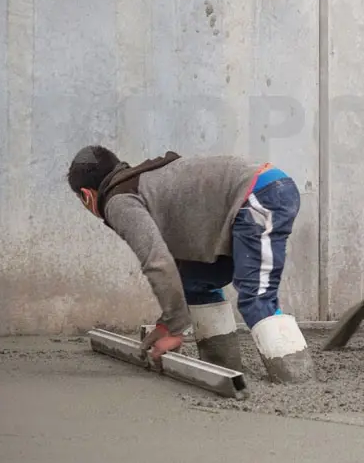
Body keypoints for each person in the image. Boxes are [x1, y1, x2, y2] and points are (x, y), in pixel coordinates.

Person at [67, 146, 314, 383]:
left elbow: (157, 261)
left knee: (257, 297)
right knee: (195, 282)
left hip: (260, 194)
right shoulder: (143, 179)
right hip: (254, 193)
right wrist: (167, 323)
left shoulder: (119, 201)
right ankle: (223, 365)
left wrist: (175, 329)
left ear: (87, 196)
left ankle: (298, 383)